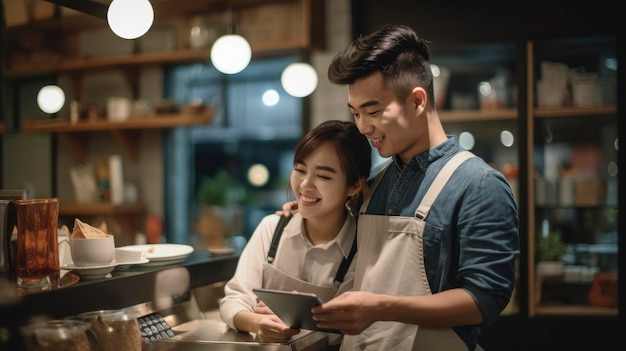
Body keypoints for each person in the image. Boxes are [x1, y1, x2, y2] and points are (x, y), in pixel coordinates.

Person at [281, 24, 520, 351]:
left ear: (417, 100)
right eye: (355, 113)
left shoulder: (478, 184)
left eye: (373, 111)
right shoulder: (375, 183)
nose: (363, 127)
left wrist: (381, 308)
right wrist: (307, 208)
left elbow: (485, 298)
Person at [219, 120, 372, 346]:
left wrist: (287, 318)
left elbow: (347, 328)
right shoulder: (272, 228)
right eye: (300, 170)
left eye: (324, 176)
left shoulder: (361, 245)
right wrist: (257, 323)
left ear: (354, 186)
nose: (305, 185)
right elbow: (234, 299)